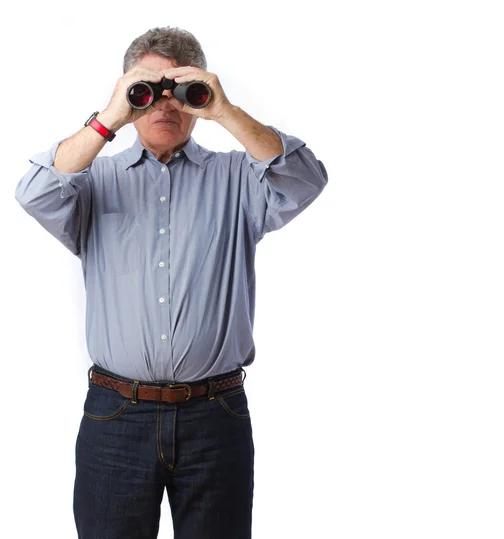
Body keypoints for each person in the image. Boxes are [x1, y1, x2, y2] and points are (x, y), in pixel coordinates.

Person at [14, 26, 328, 539]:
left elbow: (305, 179)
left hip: (216, 415)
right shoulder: (92, 180)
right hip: (116, 416)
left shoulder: (239, 180)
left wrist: (223, 110)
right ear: (127, 91)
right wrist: (112, 116)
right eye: (147, 90)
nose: (164, 103)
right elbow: (35, 194)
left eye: (180, 90)